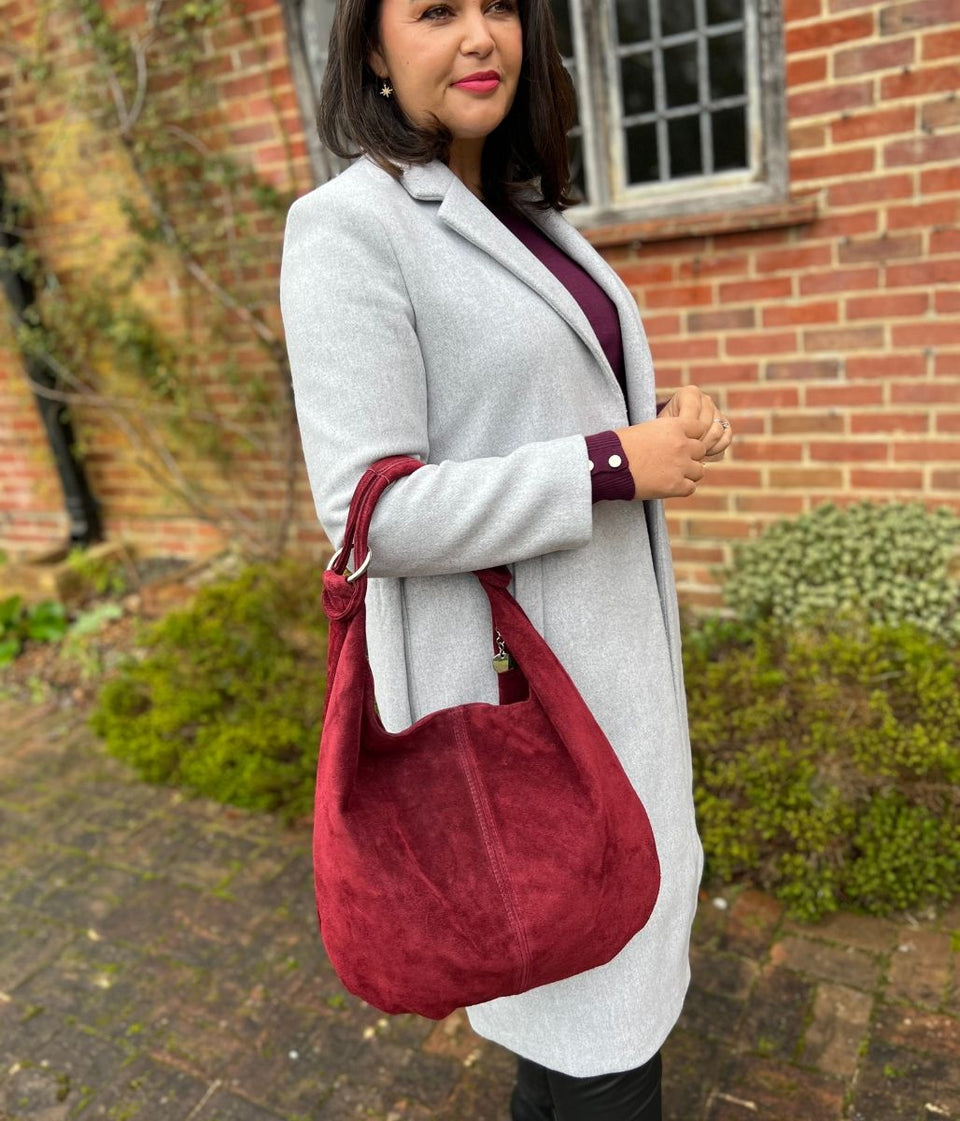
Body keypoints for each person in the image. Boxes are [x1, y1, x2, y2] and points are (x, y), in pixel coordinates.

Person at [279, 0, 733, 1115]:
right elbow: (368, 515)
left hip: (614, 692)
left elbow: (526, 407)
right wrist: (610, 462)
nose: (480, 35)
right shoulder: (350, 225)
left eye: (498, 8)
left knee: (592, 1054)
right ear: (373, 53)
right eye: (436, 11)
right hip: (527, 713)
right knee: (599, 1064)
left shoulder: (524, 212)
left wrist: (652, 426)